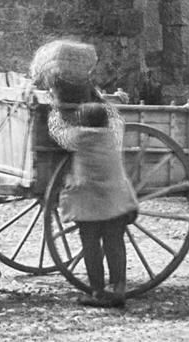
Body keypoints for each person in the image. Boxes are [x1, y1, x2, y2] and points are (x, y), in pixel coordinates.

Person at [45, 99, 140, 308]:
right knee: (115, 244)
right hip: (116, 201)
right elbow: (118, 119)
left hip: (89, 203)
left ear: (82, 122)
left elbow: (57, 132)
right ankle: (118, 289)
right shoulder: (114, 135)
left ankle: (97, 291)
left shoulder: (80, 137)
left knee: (91, 246)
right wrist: (105, 100)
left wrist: (54, 110)